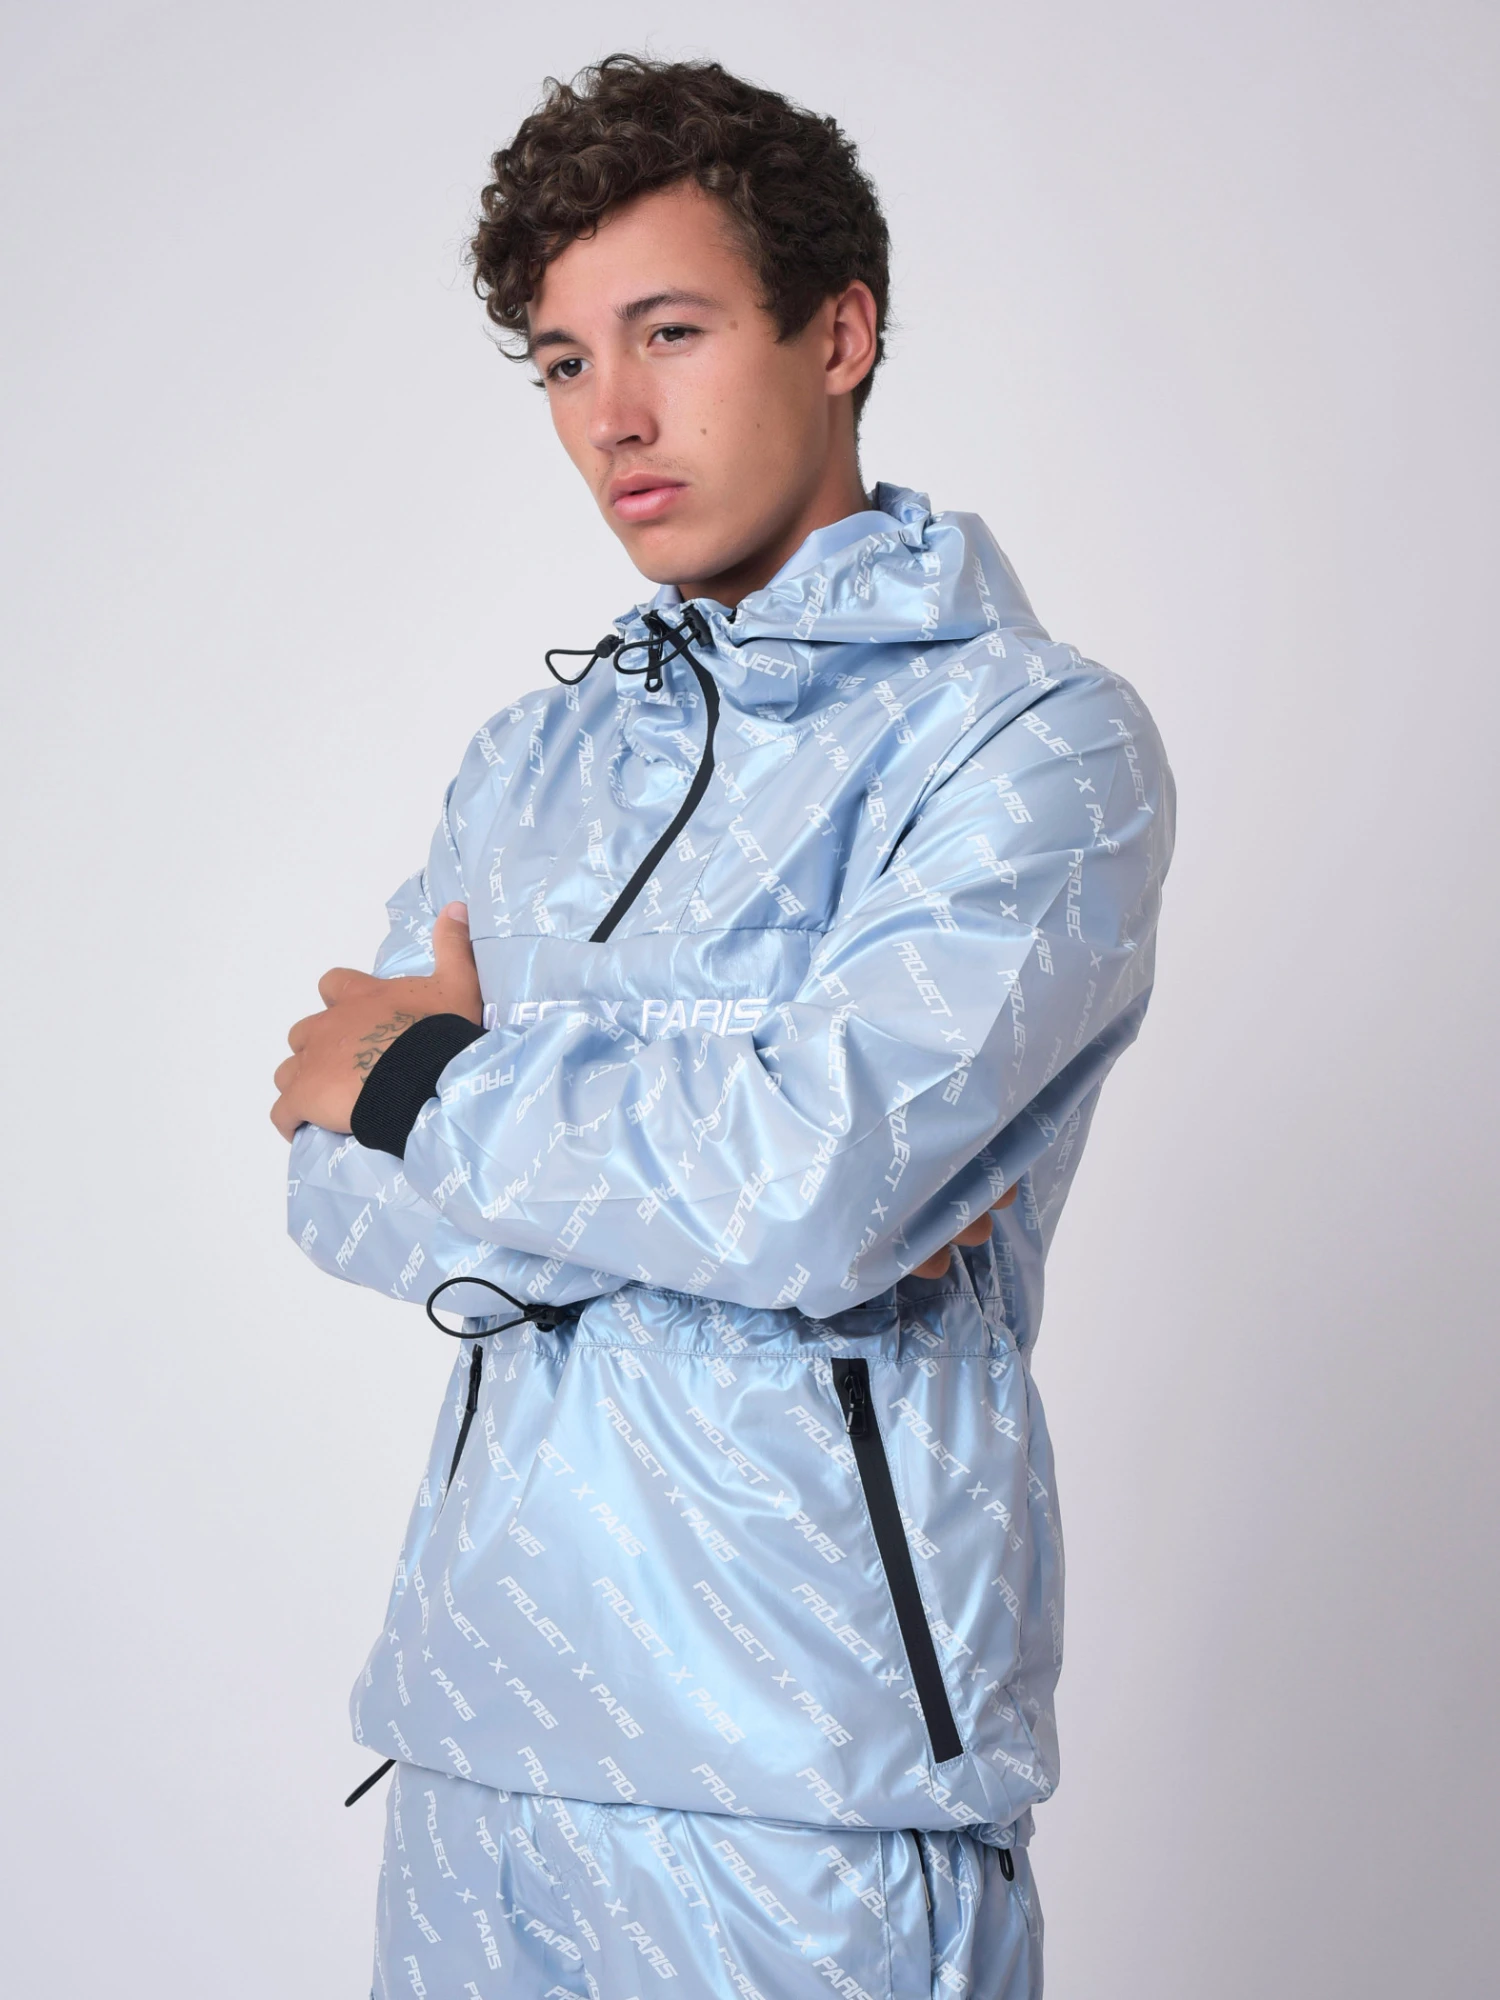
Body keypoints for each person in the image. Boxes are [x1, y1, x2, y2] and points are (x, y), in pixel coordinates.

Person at [272, 53, 1174, 2000]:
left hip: (810, 1795)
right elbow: (333, 1192)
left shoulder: (1033, 743)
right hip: (474, 1747)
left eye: (668, 332)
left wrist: (434, 1083)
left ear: (837, 333)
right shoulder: (530, 762)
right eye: (562, 360)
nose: (612, 414)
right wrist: (711, 1159)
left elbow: (811, 1184)